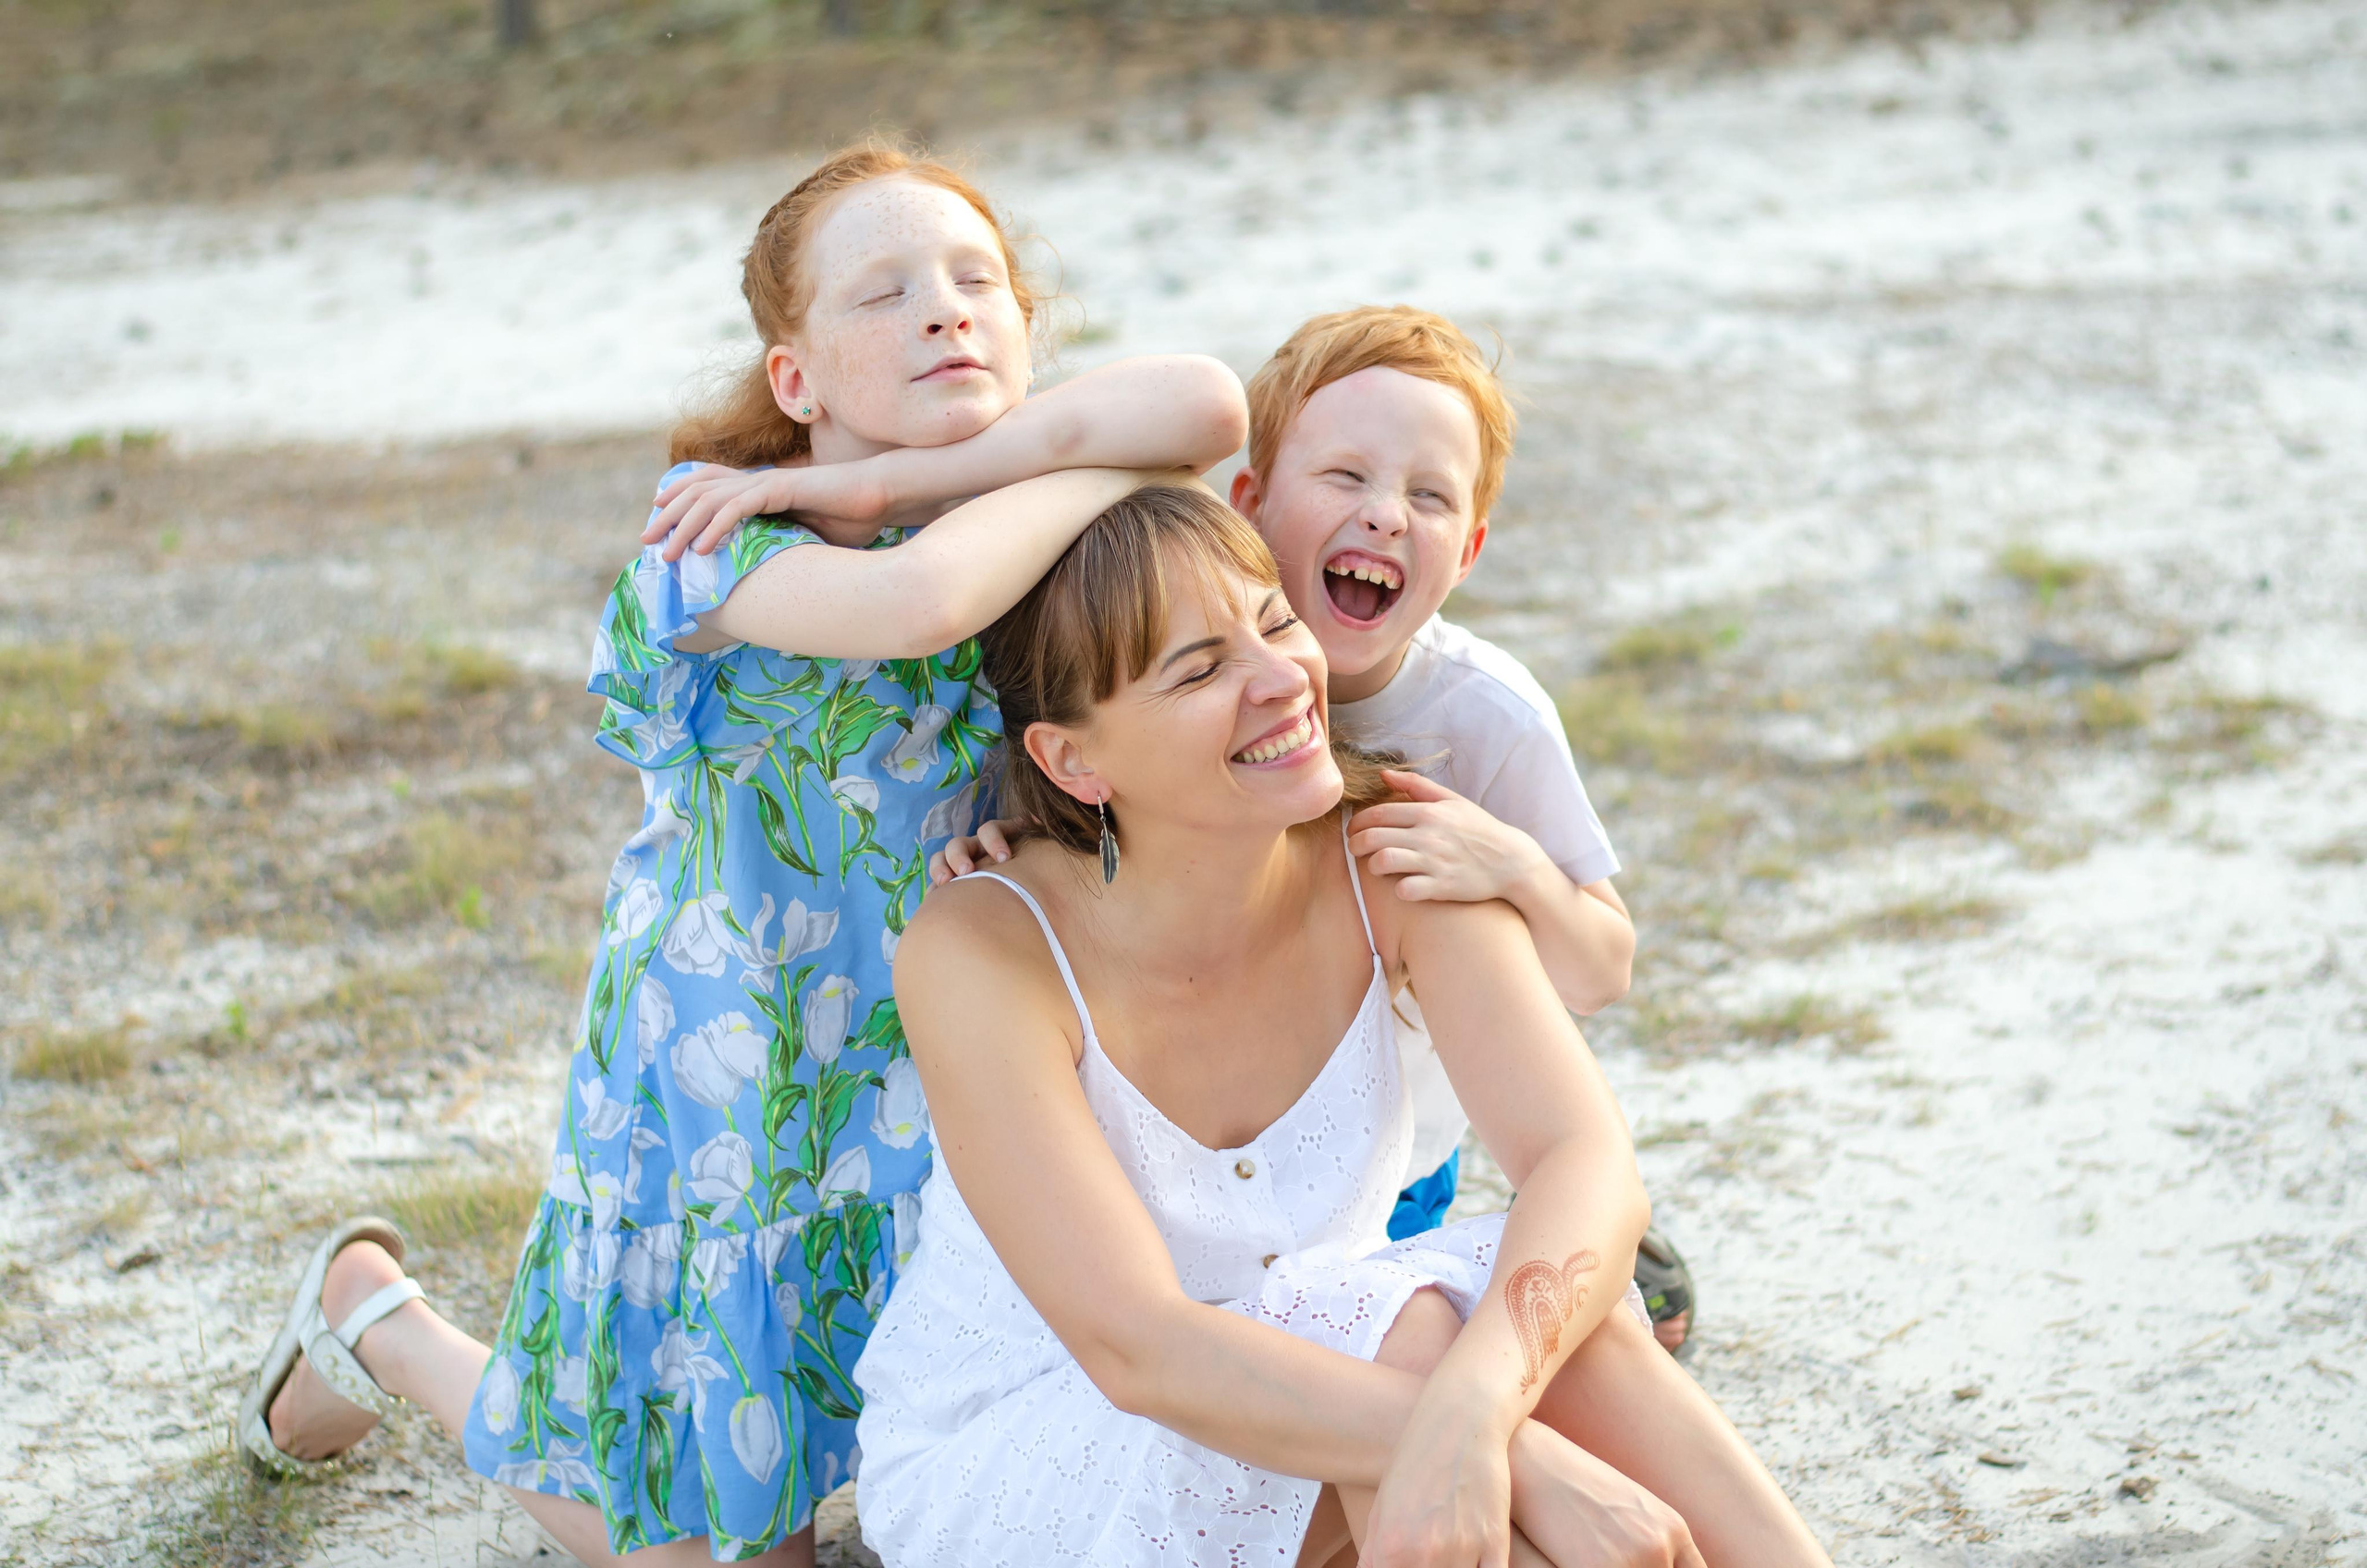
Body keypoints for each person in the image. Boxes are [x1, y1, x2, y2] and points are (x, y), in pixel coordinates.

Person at [234, 139, 1245, 1567]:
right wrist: (1094, 473)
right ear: (795, 382)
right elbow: (915, 602)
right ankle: (380, 1324)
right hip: (740, 1090)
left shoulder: (1013, 525)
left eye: (977, 282)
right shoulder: (715, 547)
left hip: (947, 1063)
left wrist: (935, 463)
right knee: (714, 1545)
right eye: (882, 295)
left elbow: (1206, 402)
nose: (945, 311)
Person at [858, 482, 1826, 1567]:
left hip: (1343, 1381)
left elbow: (1583, 1162)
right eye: (1199, 669)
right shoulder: (984, 950)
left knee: (1534, 1326)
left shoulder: (1398, 856)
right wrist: (1513, 1450)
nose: (1281, 678)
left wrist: (1477, 1408)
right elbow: (1140, 1347)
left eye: (1274, 622)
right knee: (1413, 1326)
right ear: (1072, 760)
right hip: (1044, 1445)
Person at [937, 305, 1698, 1351]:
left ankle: (1597, 1245)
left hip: (1399, 1143)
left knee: (1396, 1336)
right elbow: (1087, 824)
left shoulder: (1483, 717)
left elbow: (1602, 966)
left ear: (1468, 549)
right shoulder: (1150, 666)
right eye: (1345, 478)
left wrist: (1514, 868)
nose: (1385, 515)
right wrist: (1006, 853)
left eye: (1429, 496)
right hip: (1217, 1136)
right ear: (1246, 500)